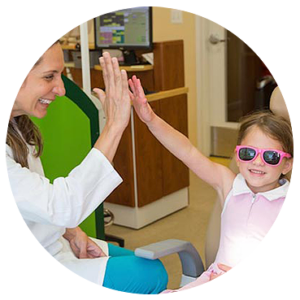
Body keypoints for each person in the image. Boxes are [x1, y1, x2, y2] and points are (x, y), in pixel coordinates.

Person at [6, 42, 167, 294]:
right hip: (48, 249)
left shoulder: (16, 126)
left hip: (53, 239)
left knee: (141, 259)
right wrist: (114, 126)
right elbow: (60, 206)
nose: (60, 90)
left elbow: (33, 203)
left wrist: (71, 232)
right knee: (152, 273)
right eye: (49, 76)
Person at [129, 76, 293, 291]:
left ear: (287, 165)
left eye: (270, 156)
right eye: (247, 153)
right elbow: (186, 151)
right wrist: (150, 119)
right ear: (237, 155)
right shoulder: (229, 184)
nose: (257, 162)